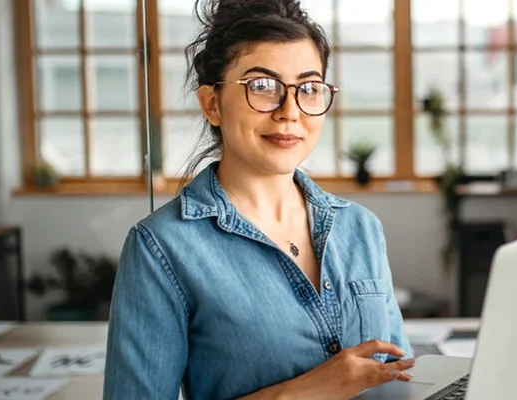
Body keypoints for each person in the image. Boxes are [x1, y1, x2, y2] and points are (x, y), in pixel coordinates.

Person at [102, 1, 414, 399]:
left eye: (309, 88)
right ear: (212, 104)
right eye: (262, 86)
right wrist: (304, 392)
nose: (290, 111)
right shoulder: (161, 248)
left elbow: (400, 378)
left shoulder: (361, 227)